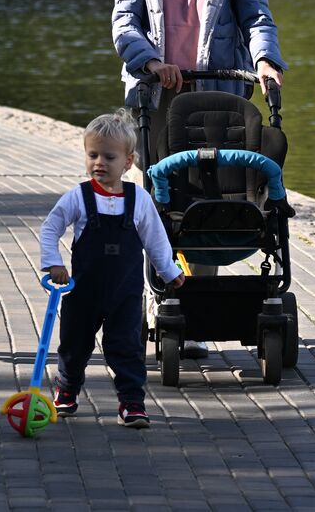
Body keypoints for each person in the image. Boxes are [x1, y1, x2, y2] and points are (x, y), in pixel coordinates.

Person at [112, 0, 286, 357]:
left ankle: (195, 307)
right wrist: (150, 61)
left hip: (216, 91)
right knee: (163, 199)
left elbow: (257, 15)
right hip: (157, 93)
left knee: (207, 198)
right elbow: (125, 22)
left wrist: (267, 61)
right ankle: (159, 298)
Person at [40, 109, 185, 428]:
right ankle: (67, 389)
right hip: (83, 292)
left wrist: (168, 269)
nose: (99, 163)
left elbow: (156, 238)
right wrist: (53, 262)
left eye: (108, 156)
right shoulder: (78, 197)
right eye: (92, 155)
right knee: (74, 344)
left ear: (128, 162)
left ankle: (132, 402)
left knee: (128, 346)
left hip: (125, 293)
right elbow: (51, 228)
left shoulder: (139, 200)